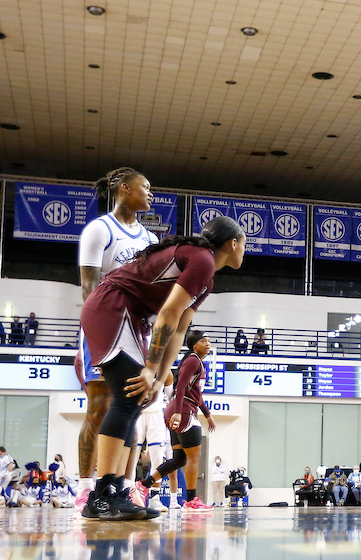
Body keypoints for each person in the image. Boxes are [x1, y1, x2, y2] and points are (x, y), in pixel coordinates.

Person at [80, 215, 243, 520]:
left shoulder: (207, 278)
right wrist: (150, 366)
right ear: (233, 244)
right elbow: (167, 314)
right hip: (112, 307)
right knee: (128, 398)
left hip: (128, 315)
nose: (243, 251)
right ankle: (101, 496)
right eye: (243, 245)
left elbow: (179, 329)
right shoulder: (203, 260)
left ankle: (113, 491)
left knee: (136, 398)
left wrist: (156, 375)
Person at [76, 168, 159, 497]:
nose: (151, 194)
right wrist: (100, 331)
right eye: (146, 187)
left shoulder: (150, 240)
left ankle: (124, 487)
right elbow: (89, 288)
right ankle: (85, 487)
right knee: (99, 406)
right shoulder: (99, 230)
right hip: (103, 326)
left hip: (138, 330)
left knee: (133, 409)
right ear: (125, 189)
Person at [139, 331, 217, 512]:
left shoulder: (196, 362)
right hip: (183, 410)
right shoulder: (193, 360)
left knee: (180, 459)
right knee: (194, 457)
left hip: (178, 409)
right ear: (194, 344)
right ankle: (191, 501)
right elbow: (180, 385)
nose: (207, 343)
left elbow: (197, 394)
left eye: (209, 341)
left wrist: (207, 414)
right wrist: (180, 412)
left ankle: (145, 485)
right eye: (203, 341)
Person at [127, 370, 174, 509]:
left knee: (158, 459)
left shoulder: (166, 372)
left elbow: (171, 398)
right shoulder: (137, 365)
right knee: (132, 457)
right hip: (137, 413)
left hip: (157, 415)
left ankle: (154, 498)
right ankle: (129, 494)